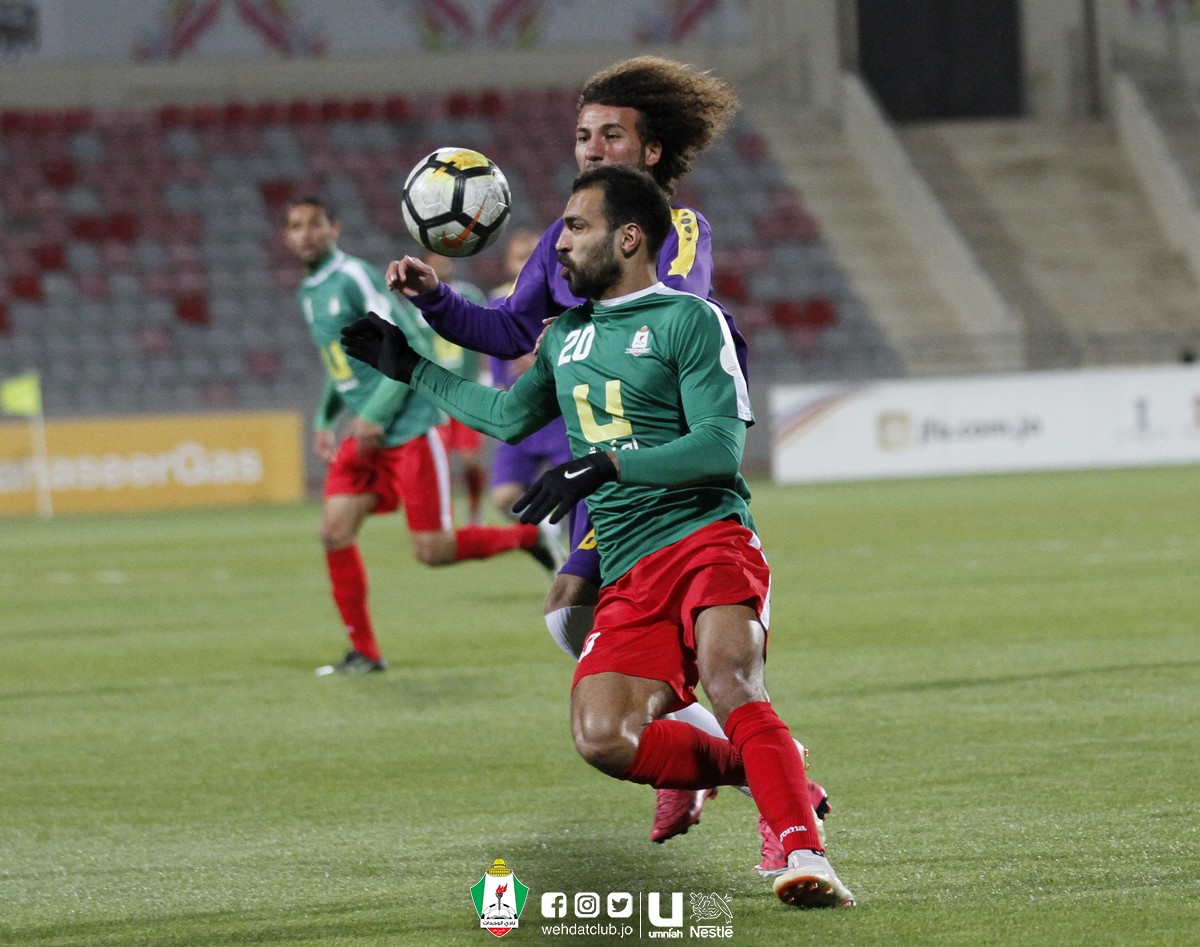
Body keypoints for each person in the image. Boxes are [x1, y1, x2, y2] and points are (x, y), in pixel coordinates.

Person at [342, 166, 856, 908]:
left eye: (576, 228)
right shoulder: (565, 337)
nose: (559, 244)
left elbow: (720, 447)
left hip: (707, 538)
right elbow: (506, 418)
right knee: (603, 736)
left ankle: (805, 855)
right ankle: (768, 769)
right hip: (627, 565)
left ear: (629, 238)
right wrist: (410, 367)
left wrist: (609, 463)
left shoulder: (690, 319)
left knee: (731, 680)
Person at [282, 196, 566, 675]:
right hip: (366, 434)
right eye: (295, 226)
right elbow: (341, 362)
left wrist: (374, 413)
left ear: (335, 228)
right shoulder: (309, 292)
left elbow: (407, 341)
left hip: (409, 427)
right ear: (286, 237)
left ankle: (525, 537)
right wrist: (325, 419)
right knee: (333, 532)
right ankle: (365, 653)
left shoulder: (353, 277)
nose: (305, 234)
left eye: (314, 224)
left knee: (432, 551)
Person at [485, 231, 572, 525]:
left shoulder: (565, 297)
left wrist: (539, 364)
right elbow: (496, 359)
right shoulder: (497, 302)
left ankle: (568, 540)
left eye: (532, 256)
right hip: (521, 414)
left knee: (578, 496)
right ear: (509, 264)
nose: (526, 264)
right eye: (520, 258)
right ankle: (546, 538)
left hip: (560, 414)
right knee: (504, 496)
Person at [421, 251, 490, 525]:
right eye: (435, 261)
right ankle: (443, 518)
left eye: (445, 260)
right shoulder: (416, 303)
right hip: (434, 398)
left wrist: (486, 373)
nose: (442, 265)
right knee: (438, 463)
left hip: (467, 393)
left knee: (470, 461)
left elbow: (486, 333)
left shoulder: (469, 295)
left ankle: (475, 511)